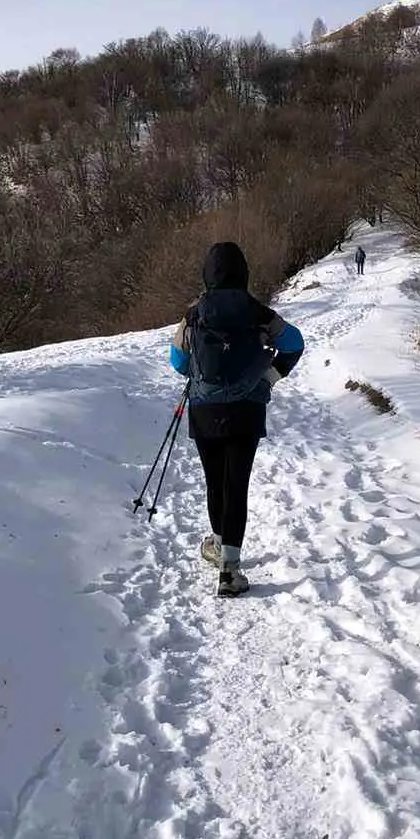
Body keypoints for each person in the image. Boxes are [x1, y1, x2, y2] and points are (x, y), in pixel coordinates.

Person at [170, 242, 304, 597]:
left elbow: (178, 362)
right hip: (247, 408)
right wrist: (268, 377)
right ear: (243, 272)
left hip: (204, 409)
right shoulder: (259, 312)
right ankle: (229, 571)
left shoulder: (193, 314)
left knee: (215, 482)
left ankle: (217, 545)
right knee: (237, 484)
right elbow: (294, 344)